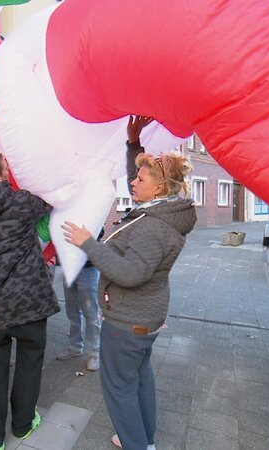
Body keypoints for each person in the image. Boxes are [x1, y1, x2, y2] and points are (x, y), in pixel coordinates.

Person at [61, 117, 197, 450]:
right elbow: (143, 186)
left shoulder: (154, 227)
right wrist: (133, 143)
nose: (133, 183)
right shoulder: (162, 211)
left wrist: (87, 243)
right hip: (143, 320)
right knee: (138, 380)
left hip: (127, 323)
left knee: (119, 388)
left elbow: (131, 273)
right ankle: (143, 439)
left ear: (160, 189)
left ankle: (137, 444)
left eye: (139, 178)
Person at [0, 152, 60, 450]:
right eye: (6, 167)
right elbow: (51, 201)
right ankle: (23, 424)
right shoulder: (21, 202)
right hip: (31, 300)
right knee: (30, 362)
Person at [55, 227, 104, 372]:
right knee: (72, 310)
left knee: (91, 313)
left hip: (88, 268)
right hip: (69, 266)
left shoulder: (92, 207)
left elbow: (99, 231)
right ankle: (75, 346)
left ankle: (95, 353)